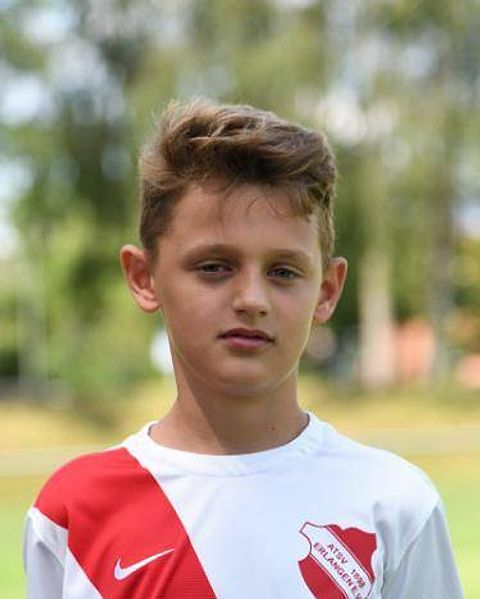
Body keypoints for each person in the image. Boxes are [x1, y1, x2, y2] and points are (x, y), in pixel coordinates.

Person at [24, 99, 464, 598]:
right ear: (144, 278)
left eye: (283, 272)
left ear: (326, 291)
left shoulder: (395, 504)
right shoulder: (73, 513)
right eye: (214, 266)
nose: (252, 299)